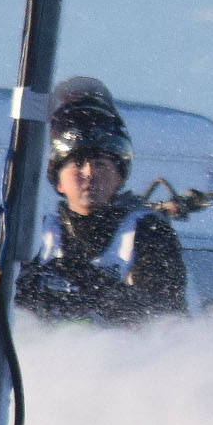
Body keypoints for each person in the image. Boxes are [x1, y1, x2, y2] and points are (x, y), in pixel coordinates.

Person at [14, 77, 187, 322]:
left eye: (101, 164)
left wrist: (93, 284)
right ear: (58, 181)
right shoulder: (36, 236)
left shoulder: (148, 233)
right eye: (77, 163)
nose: (89, 173)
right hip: (37, 359)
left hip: (128, 359)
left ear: (119, 177)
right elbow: (7, 312)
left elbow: (164, 318)